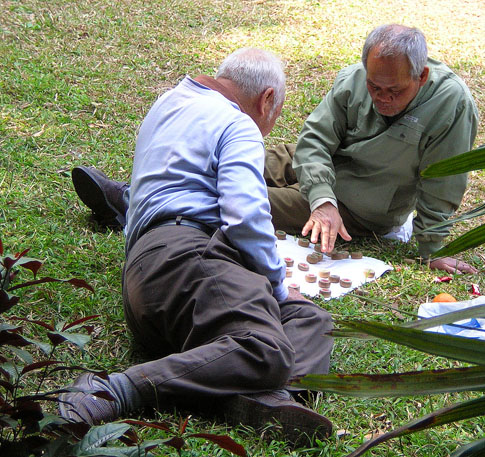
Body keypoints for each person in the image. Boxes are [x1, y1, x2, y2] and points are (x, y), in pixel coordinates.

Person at [59, 48, 334, 446]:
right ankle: (114, 389)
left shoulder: (168, 102)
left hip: (147, 284)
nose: (267, 129)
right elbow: (245, 218)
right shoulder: (236, 124)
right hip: (187, 258)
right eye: (272, 120)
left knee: (311, 318)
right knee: (266, 348)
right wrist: (276, 284)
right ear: (267, 99)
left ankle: (269, 397)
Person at [72, 24, 478, 274]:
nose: (381, 98)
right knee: (234, 160)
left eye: (395, 91)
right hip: (317, 165)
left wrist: (433, 249)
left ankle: (133, 202)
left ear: (421, 76)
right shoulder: (355, 78)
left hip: (362, 201)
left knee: (247, 198)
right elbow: (316, 139)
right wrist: (322, 196)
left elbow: (443, 180)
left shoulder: (451, 105)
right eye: (375, 87)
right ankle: (135, 193)